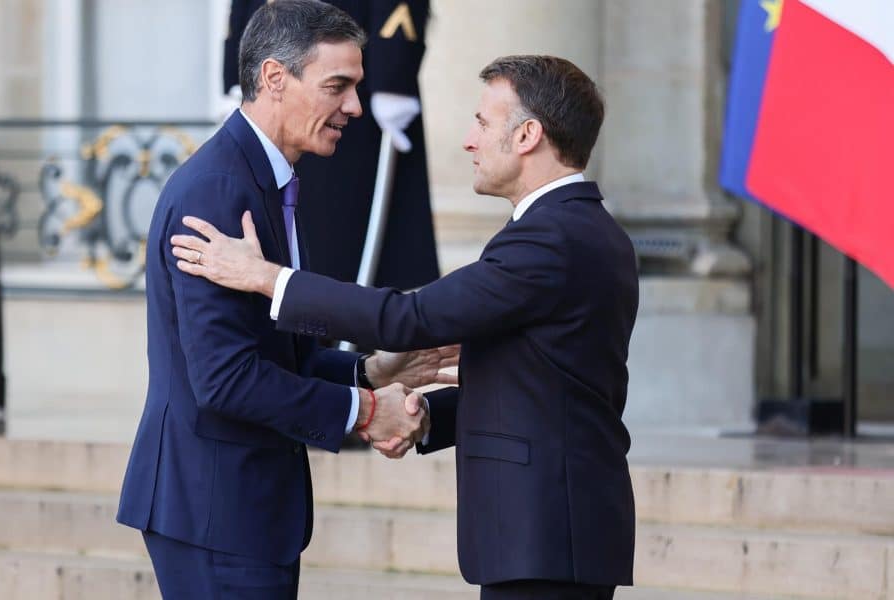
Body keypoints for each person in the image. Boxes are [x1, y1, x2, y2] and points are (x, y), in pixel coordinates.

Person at [172, 55, 639, 599]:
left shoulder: (552, 237)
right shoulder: (574, 227)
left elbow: (407, 319)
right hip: (553, 536)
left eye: (483, 123)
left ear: (529, 135)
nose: (469, 140)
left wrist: (268, 278)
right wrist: (422, 421)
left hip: (550, 538)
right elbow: (546, 386)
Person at [116, 2, 454, 598]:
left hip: (239, 508)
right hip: (217, 509)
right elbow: (225, 379)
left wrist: (370, 371)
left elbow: (270, 352)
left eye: (357, 87)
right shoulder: (221, 191)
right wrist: (367, 413)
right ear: (275, 79)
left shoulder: (263, 177)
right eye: (337, 86)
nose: (354, 107)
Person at [222, 0, 439, 291]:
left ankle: (339, 321)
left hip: (350, 67)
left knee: (341, 217)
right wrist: (238, 69)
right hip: (276, 67)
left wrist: (393, 70)